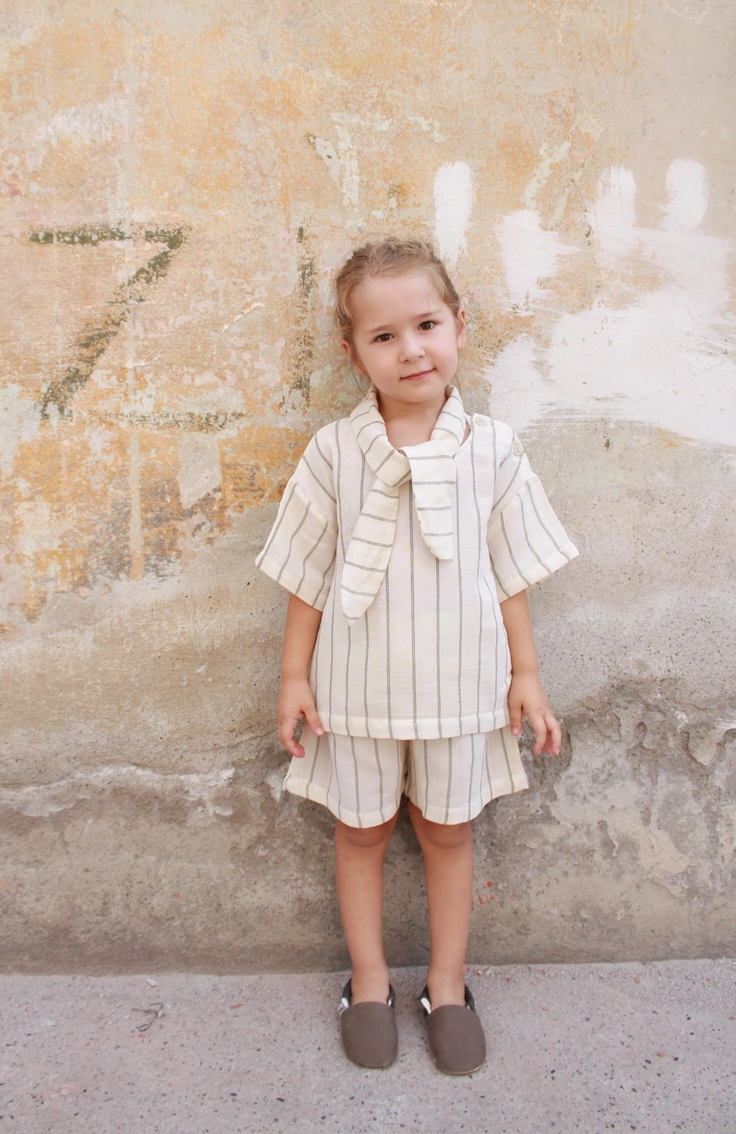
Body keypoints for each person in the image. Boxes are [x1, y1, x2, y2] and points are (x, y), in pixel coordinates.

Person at [256, 238, 578, 1074]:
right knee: (360, 831)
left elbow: (510, 573)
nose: (411, 350)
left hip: (461, 686)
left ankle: (447, 984)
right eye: (384, 336)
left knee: (446, 827)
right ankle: (367, 982)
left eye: (426, 324)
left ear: (458, 327)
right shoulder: (334, 452)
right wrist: (293, 676)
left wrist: (527, 676)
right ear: (351, 350)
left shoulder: (493, 449)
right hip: (352, 689)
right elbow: (307, 574)